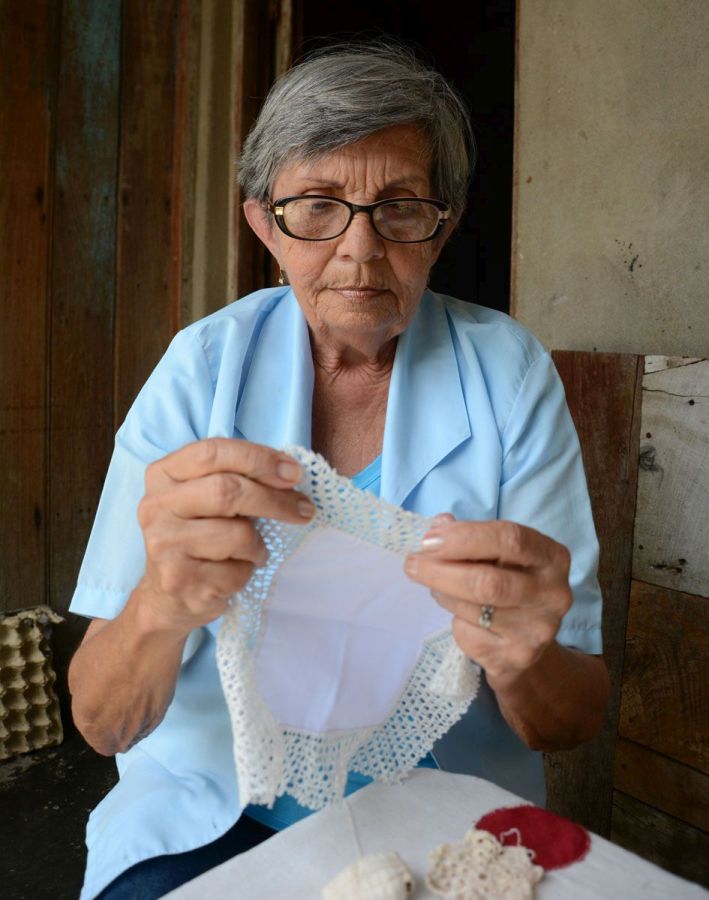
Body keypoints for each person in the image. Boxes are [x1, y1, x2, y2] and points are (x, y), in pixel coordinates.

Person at [68, 41, 610, 900]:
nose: (359, 252)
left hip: (443, 816)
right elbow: (101, 723)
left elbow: (568, 719)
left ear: (446, 222)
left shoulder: (507, 373)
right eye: (316, 207)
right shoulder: (200, 369)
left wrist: (520, 655)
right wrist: (161, 607)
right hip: (213, 812)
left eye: (400, 209)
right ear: (261, 223)